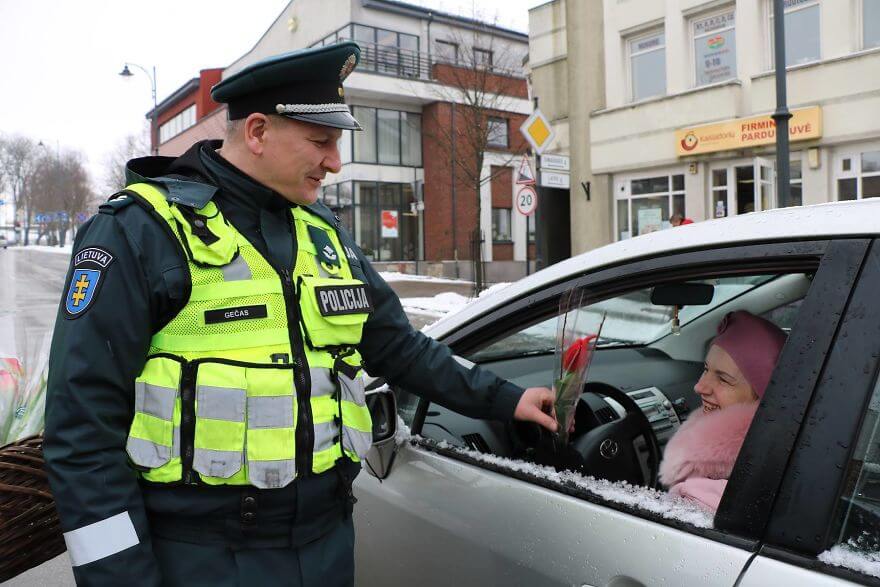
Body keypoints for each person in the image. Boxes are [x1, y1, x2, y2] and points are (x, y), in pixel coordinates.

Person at [44, 42, 558, 587]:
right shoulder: (140, 230)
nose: (335, 162)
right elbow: (82, 432)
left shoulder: (322, 234)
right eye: (322, 142)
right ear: (259, 132)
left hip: (328, 546)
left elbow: (397, 346)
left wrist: (508, 399)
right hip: (202, 560)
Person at [658, 310, 786, 512]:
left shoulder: (701, 497)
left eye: (724, 379)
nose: (699, 387)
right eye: (706, 369)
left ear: (762, 397)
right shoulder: (773, 451)